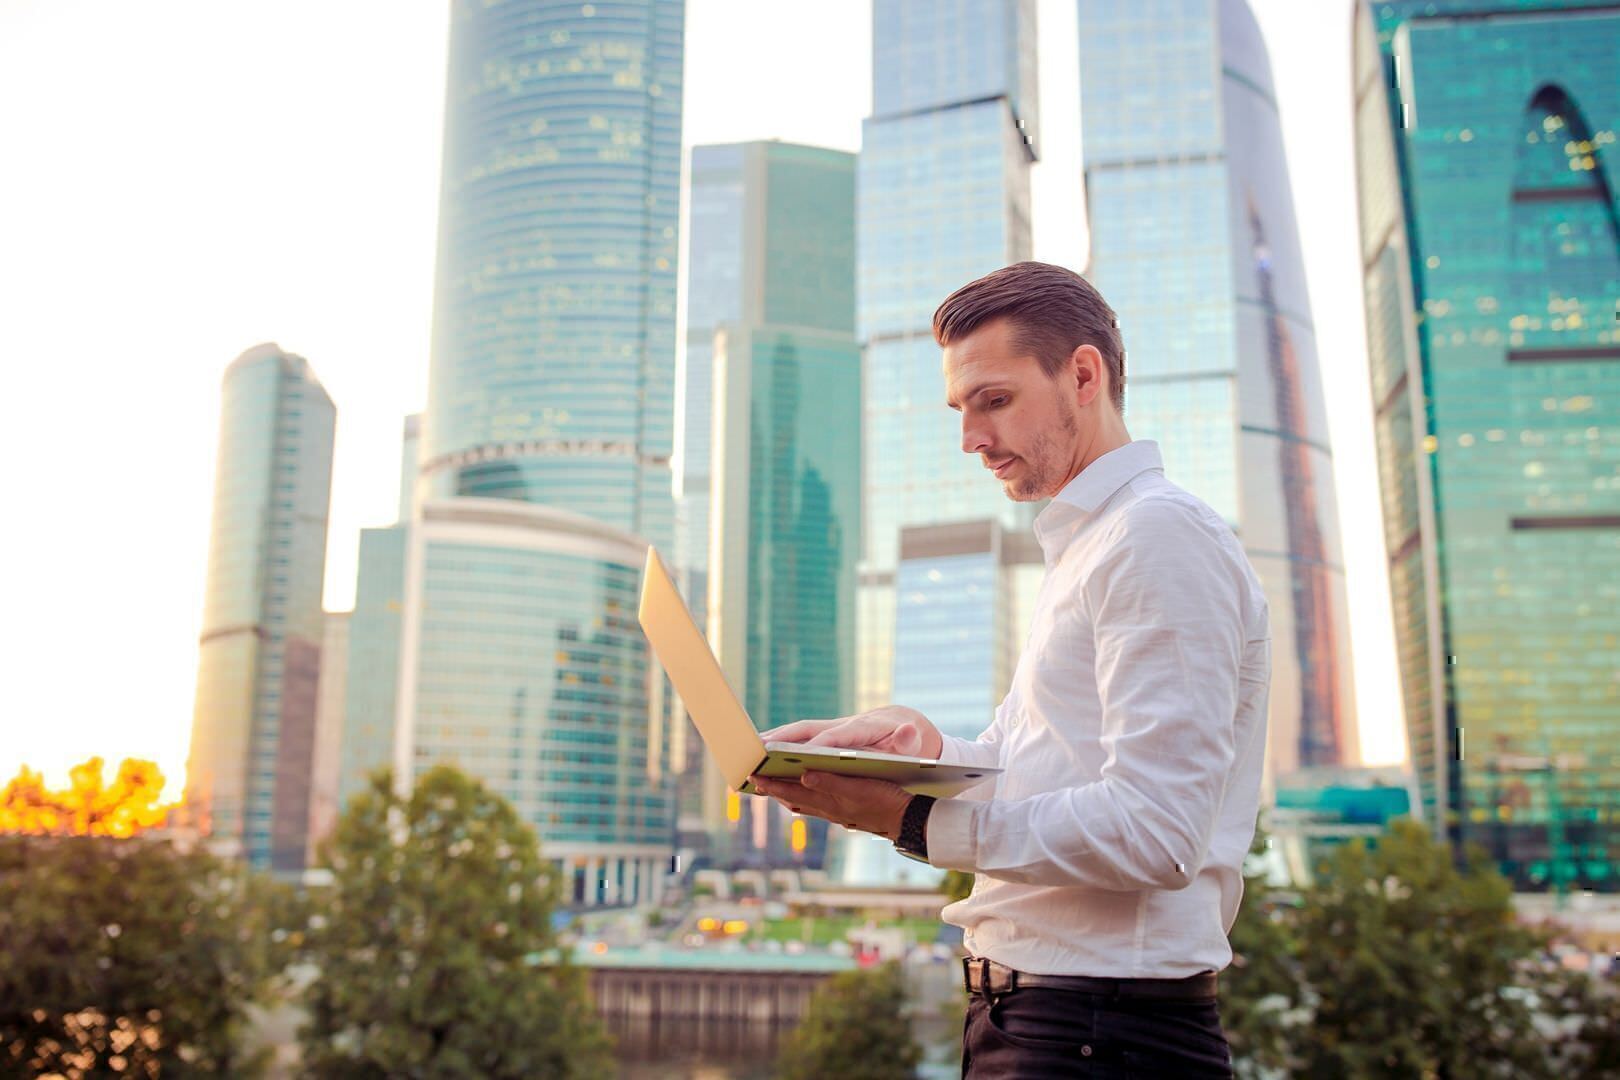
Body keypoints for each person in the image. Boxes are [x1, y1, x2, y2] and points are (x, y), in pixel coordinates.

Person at [750, 261, 1270, 1078]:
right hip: (1051, 1022)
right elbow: (1034, 771)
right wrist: (919, 752)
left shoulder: (1154, 537)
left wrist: (911, 819)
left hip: (1099, 1033)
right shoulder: (1093, 544)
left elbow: (1156, 832)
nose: (970, 439)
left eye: (994, 400)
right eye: (960, 410)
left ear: (1084, 376)